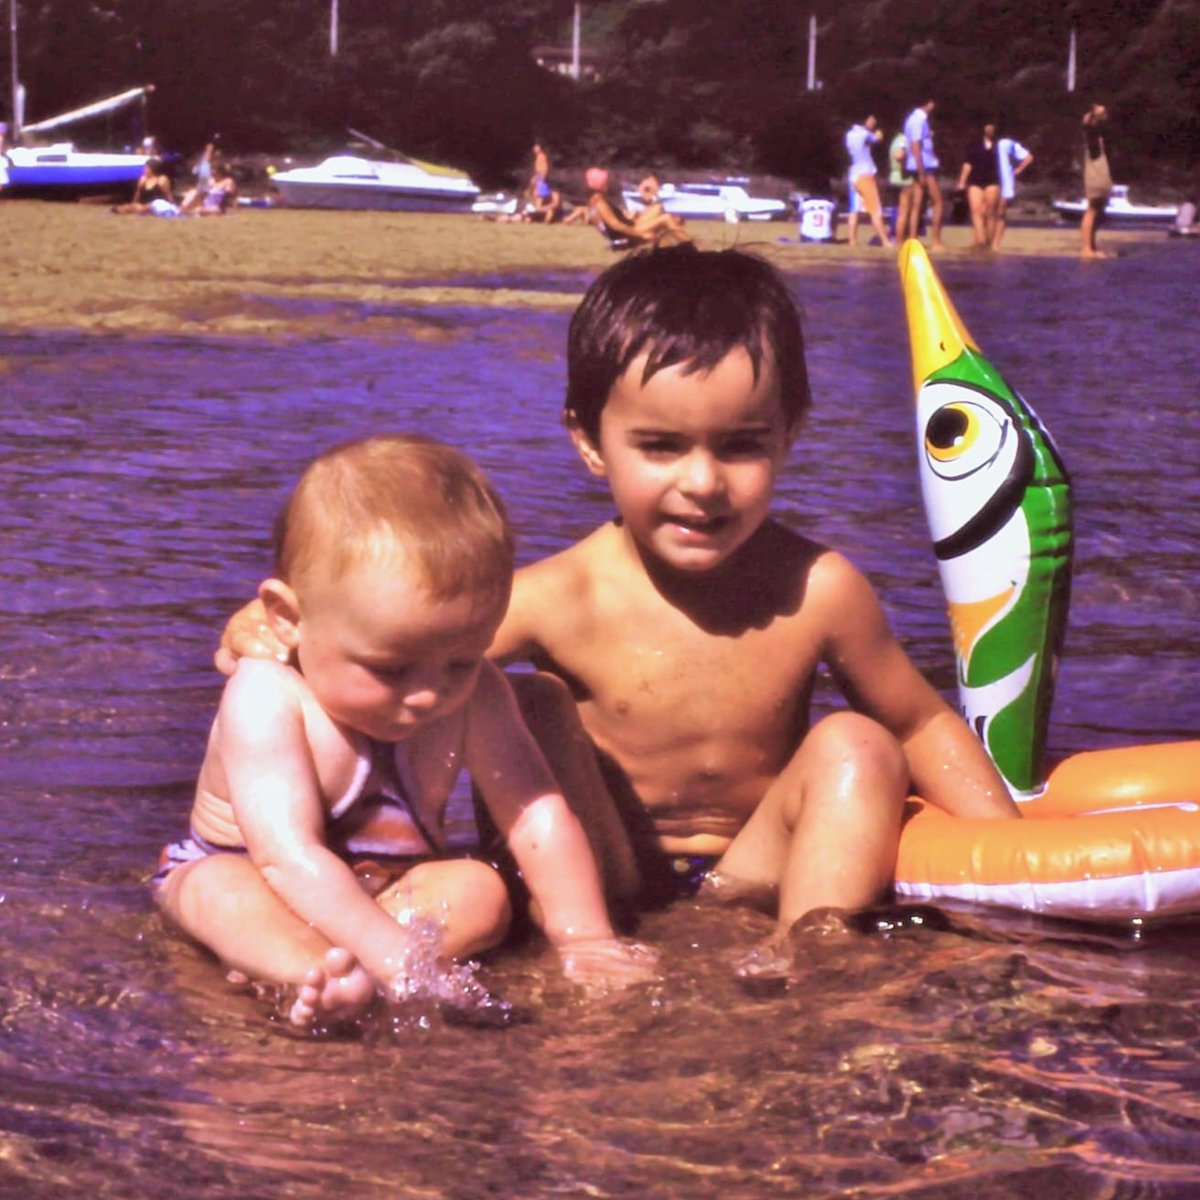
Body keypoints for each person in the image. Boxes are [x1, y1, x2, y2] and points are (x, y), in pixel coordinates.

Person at [218, 249, 1019, 969]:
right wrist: (273, 639)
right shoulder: (556, 596)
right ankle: (576, 939)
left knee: (859, 741)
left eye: (741, 444)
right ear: (590, 441)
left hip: (760, 867)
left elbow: (918, 723)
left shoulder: (819, 589)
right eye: (661, 446)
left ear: (789, 435)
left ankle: (804, 957)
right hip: (600, 870)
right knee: (530, 701)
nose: (703, 483)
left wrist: (1011, 850)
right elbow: (388, 653)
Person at [163, 435, 653, 1028]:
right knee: (215, 892)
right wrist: (400, 962)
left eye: (460, 662)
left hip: (385, 895)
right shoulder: (267, 694)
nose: (428, 694)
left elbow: (536, 817)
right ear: (289, 619)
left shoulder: (478, 694)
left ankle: (342, 977)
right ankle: (307, 970)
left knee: (480, 889)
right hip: (261, 879)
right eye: (390, 670)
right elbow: (286, 859)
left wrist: (587, 938)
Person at [578, 167, 692, 249]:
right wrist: (638, 234)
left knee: (657, 207)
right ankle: (689, 246)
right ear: (601, 184)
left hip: (629, 227)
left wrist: (633, 218)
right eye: (606, 181)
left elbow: (608, 226)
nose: (608, 183)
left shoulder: (595, 200)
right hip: (625, 237)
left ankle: (673, 239)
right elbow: (616, 225)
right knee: (666, 218)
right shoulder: (600, 203)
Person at [843, 115, 894, 248]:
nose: (873, 122)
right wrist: (879, 132)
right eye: (871, 120)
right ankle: (885, 241)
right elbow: (877, 138)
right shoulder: (864, 134)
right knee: (875, 209)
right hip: (865, 174)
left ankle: (852, 241)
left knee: (854, 210)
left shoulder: (849, 134)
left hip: (853, 173)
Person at [903, 99, 944, 249]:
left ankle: (913, 238)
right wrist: (921, 171)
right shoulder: (918, 120)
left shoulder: (912, 119)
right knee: (938, 202)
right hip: (924, 165)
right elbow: (915, 145)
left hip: (918, 165)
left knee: (917, 204)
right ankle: (936, 241)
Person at [956, 121, 1001, 250]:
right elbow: (967, 164)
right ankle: (980, 241)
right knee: (976, 211)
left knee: (990, 212)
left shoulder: (999, 145)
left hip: (993, 180)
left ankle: (989, 241)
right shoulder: (973, 145)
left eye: (992, 126)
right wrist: (962, 181)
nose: (990, 128)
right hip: (975, 180)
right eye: (987, 126)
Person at [1080, 103, 1113, 259]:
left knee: (1098, 210)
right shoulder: (1091, 131)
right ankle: (1086, 248)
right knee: (1092, 210)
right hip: (1095, 173)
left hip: (1100, 171)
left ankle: (1091, 247)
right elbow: (1088, 127)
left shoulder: (1097, 133)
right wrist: (1091, 118)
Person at [993, 132, 1033, 250]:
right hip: (989, 179)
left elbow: (1029, 157)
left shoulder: (1006, 143)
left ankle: (996, 244)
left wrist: (1018, 170)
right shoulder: (984, 144)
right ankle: (987, 242)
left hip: (1004, 182)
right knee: (988, 212)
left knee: (1000, 213)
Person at [112, 158, 180, 216]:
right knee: (135, 206)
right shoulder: (143, 179)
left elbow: (168, 194)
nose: (144, 170)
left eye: (146, 168)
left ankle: (124, 209)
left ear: (152, 169)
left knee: (141, 207)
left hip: (157, 204)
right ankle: (122, 209)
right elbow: (137, 194)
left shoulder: (161, 179)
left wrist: (173, 206)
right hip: (144, 204)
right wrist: (133, 203)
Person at [887, 130, 915, 242]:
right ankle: (901, 239)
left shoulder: (895, 140)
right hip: (904, 178)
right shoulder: (904, 140)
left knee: (900, 211)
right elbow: (899, 155)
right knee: (905, 212)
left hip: (895, 176)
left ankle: (899, 238)